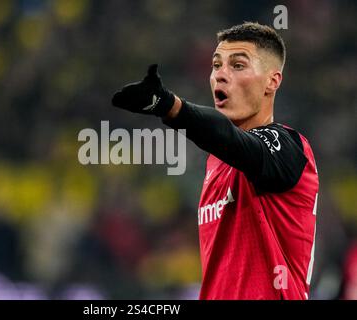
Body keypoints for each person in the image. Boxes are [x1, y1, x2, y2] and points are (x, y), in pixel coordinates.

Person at [111, 22, 319, 300]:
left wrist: (170, 107)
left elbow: (234, 142)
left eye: (238, 65)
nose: (220, 75)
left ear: (272, 80)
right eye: (216, 65)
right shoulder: (216, 163)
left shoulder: (289, 147)